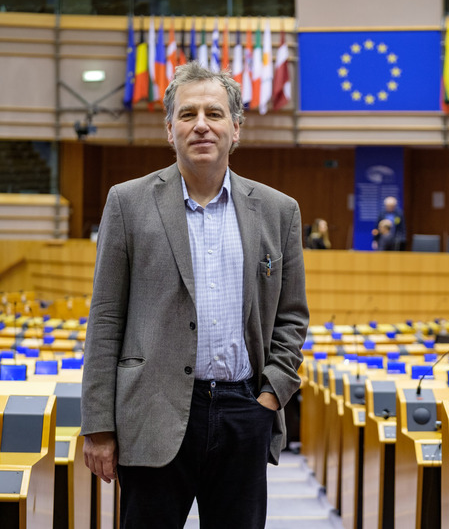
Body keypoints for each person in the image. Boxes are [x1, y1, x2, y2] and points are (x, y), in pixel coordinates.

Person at [81, 61, 309, 529]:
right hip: (152, 414)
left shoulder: (278, 211)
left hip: (244, 412)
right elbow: (105, 319)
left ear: (236, 128)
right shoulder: (127, 203)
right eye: (187, 115)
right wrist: (99, 426)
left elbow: (291, 316)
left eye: (214, 113)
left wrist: (270, 396)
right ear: (169, 130)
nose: (201, 125)